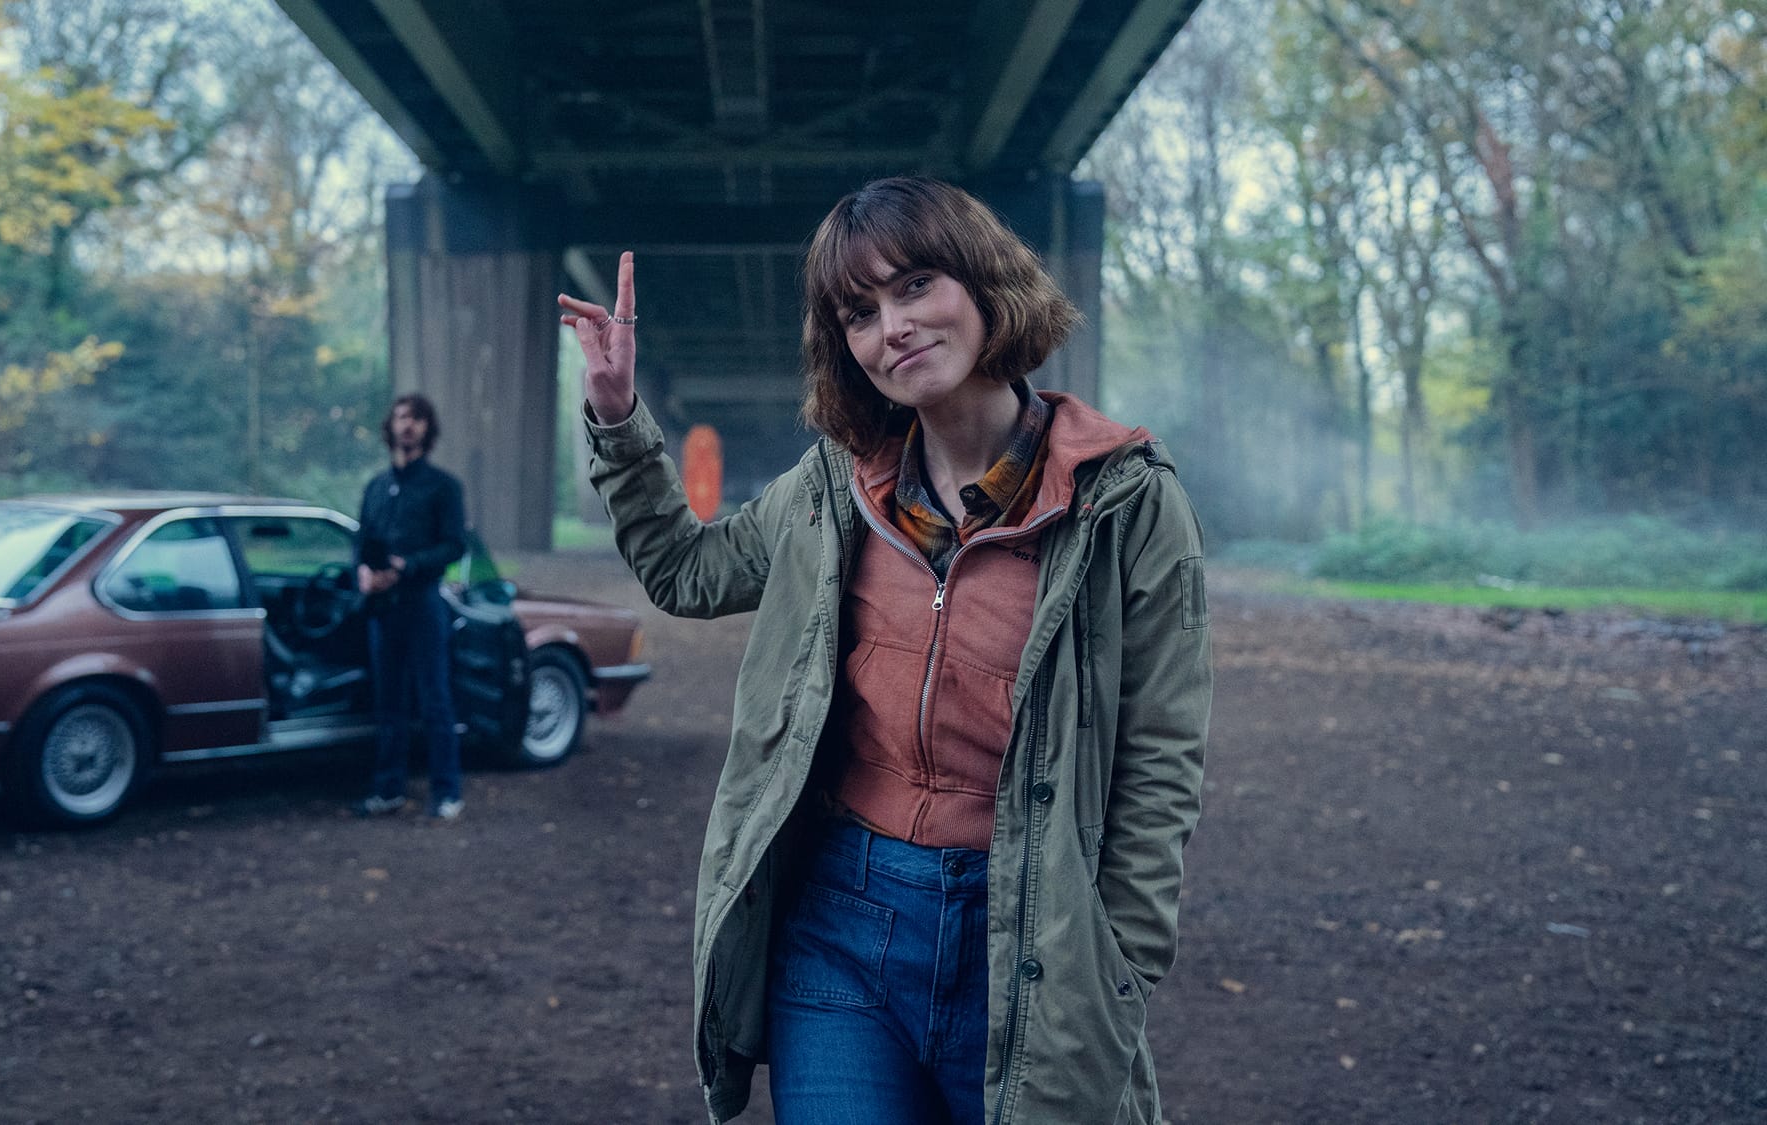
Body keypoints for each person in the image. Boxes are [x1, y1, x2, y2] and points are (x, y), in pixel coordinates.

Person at [559, 177, 1211, 1124]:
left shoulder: (1128, 500)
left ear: (984, 284)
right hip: (841, 927)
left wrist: (1119, 963)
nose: (892, 326)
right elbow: (687, 572)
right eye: (858, 313)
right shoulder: (835, 484)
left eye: (914, 286)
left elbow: (1162, 762)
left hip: (1028, 932)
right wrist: (618, 416)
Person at [353, 392, 469, 819]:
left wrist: (407, 565)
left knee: (435, 699)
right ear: (391, 426)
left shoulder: (444, 487)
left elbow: (455, 545)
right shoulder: (376, 488)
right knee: (389, 704)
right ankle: (389, 791)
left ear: (426, 429)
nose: (408, 425)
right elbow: (361, 542)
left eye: (417, 418)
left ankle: (447, 793)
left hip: (423, 605)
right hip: (382, 609)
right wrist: (364, 575)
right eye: (401, 417)